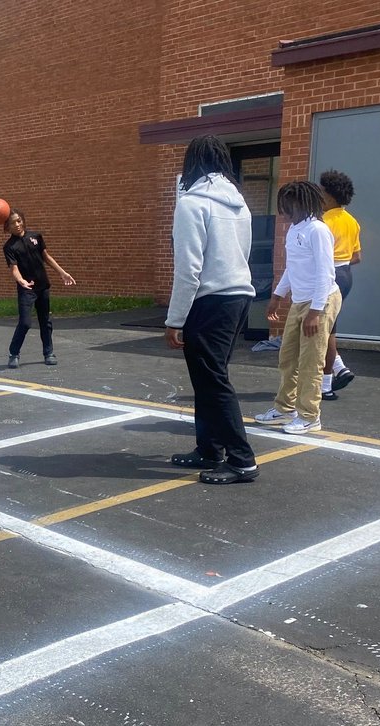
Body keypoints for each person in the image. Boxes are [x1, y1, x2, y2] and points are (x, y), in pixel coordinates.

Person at [163, 135, 259, 485]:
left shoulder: (191, 203)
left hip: (210, 299)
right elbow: (242, 254)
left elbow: (188, 268)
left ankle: (242, 459)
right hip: (238, 297)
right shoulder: (239, 203)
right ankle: (209, 448)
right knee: (207, 379)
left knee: (213, 381)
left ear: (192, 163)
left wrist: (175, 319)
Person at [254, 182, 341, 435]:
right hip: (300, 301)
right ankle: (284, 409)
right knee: (288, 357)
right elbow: (293, 267)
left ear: (303, 204)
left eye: (288, 207)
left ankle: (310, 416)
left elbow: (326, 273)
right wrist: (277, 295)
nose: (284, 213)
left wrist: (316, 311)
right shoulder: (294, 230)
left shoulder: (317, 230)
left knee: (310, 360)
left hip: (321, 300)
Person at [2, 210, 75, 368]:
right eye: (13, 223)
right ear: (7, 228)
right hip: (26, 289)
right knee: (25, 323)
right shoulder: (9, 246)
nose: (17, 225)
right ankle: (13, 353)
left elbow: (46, 257)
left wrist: (62, 273)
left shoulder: (36, 236)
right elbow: (14, 268)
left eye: (19, 221)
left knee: (45, 322)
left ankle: (48, 353)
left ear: (23, 221)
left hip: (42, 286)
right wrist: (21, 280)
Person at [319, 170, 362, 399]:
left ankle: (326, 385)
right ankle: (338, 369)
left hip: (329, 275)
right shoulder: (352, 221)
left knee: (325, 331)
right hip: (345, 274)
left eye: (322, 191)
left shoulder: (324, 221)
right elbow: (358, 257)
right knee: (329, 327)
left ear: (330, 194)